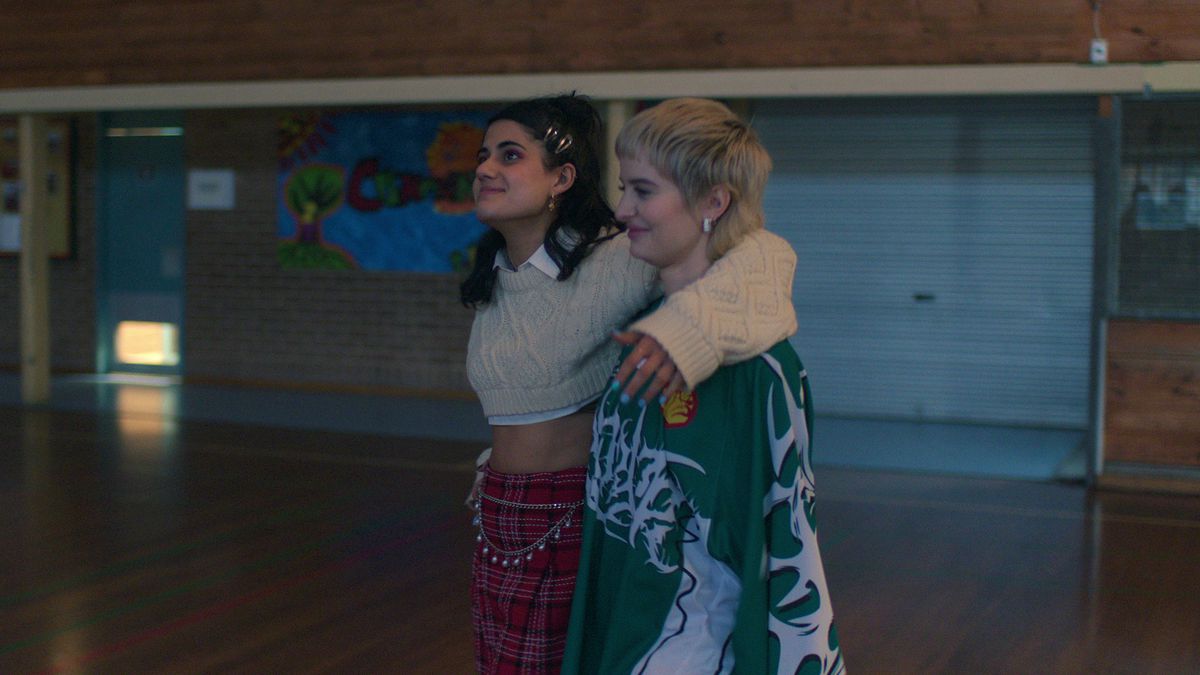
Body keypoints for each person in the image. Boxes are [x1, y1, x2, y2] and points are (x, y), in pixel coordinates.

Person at [462, 94, 799, 674]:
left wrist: (688, 330)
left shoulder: (617, 259)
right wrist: (500, 461)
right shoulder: (495, 278)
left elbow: (761, 255)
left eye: (510, 155)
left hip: (568, 509)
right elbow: (533, 399)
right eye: (484, 154)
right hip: (497, 511)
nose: (485, 168)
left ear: (561, 178)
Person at [562, 98, 844, 674]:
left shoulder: (758, 372)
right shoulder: (645, 326)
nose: (622, 209)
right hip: (619, 627)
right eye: (623, 188)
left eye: (643, 191)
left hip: (688, 649)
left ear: (714, 201)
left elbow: (780, 549)